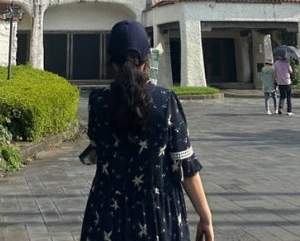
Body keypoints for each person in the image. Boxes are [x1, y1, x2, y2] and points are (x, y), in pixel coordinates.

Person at [80, 19, 214, 241]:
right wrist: (205, 216)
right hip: (157, 215)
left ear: (112, 61)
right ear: (147, 59)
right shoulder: (165, 101)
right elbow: (185, 165)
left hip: (106, 214)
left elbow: (97, 150)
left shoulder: (98, 102)